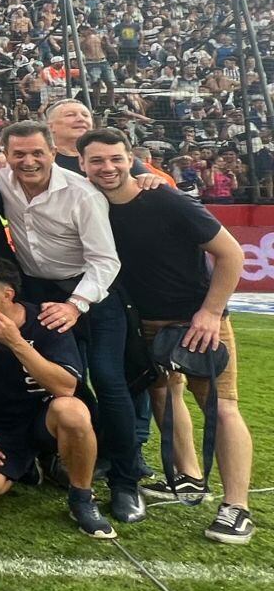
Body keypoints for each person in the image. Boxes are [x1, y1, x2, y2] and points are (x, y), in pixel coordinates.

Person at [79, 128, 255, 543]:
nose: (108, 168)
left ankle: (237, 508)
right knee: (164, 395)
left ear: (132, 160)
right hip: (143, 324)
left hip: (194, 321)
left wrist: (210, 313)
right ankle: (190, 476)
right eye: (97, 161)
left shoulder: (165, 198)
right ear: (82, 165)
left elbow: (232, 253)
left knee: (220, 407)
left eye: (116, 159)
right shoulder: (91, 202)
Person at [0, 121, 144, 524]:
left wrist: (76, 304)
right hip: (39, 291)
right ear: (4, 154)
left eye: (36, 152)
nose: (28, 161)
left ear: (53, 153)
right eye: (18, 153)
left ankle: (127, 482)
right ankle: (68, 456)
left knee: (109, 380)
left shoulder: (82, 193)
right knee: (53, 380)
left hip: (89, 292)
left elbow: (105, 262)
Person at [0, 257, 115, 539]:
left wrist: (15, 342)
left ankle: (81, 498)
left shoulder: (45, 319)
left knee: (72, 411)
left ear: (7, 294)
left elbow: (65, 387)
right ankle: (28, 465)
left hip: (44, 418)